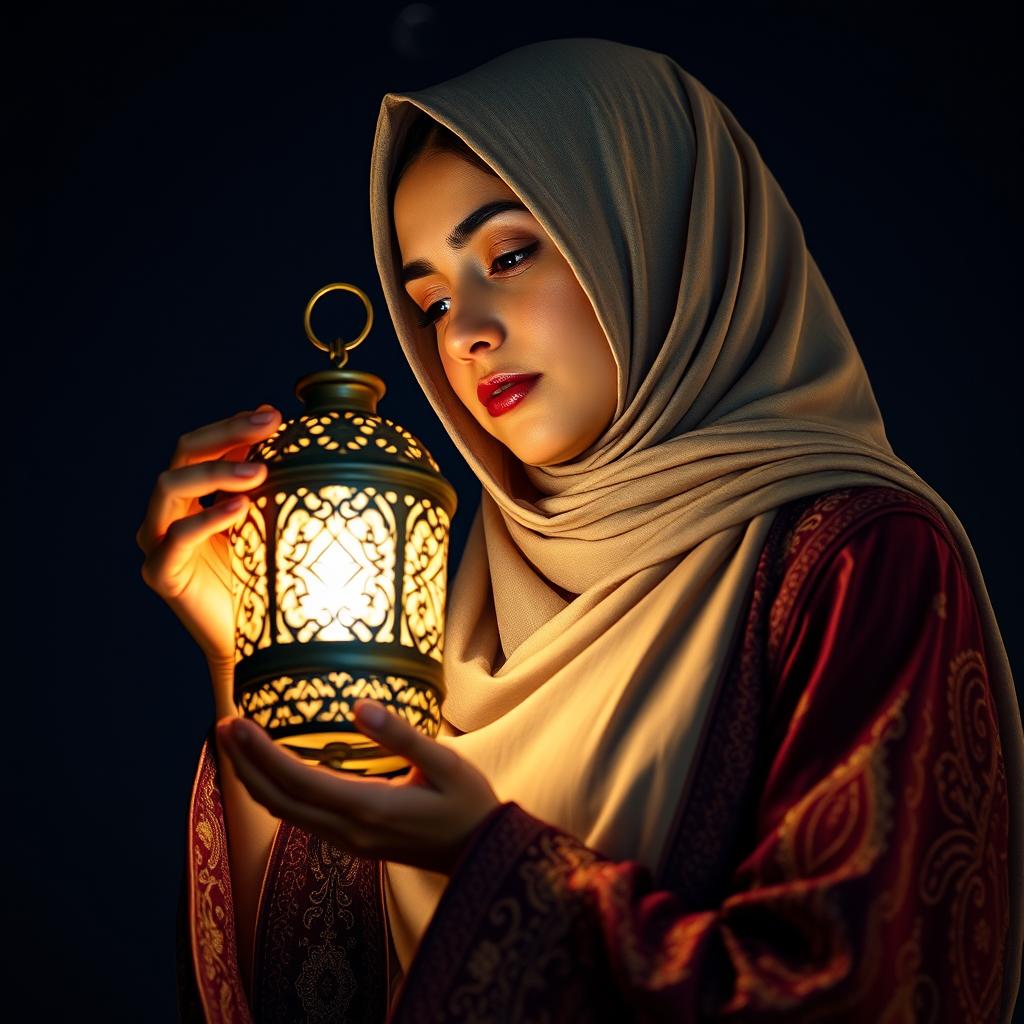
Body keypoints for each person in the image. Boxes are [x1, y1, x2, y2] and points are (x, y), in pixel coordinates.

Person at [138, 37, 1022, 1023]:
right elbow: (321, 1000)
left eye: (509, 254)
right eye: (427, 299)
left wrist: (494, 865)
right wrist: (248, 666)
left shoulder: (852, 563)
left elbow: (868, 992)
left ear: (655, 235)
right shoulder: (447, 600)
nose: (463, 331)